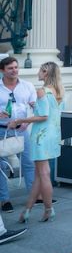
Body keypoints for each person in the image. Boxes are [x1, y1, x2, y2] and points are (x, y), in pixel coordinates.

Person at [9, 62, 63, 224]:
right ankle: (27, 210)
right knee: (39, 175)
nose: (38, 72)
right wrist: (36, 107)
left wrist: (20, 120)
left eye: (40, 70)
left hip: (41, 136)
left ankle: (48, 209)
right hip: (52, 135)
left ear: (45, 73)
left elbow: (43, 116)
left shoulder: (42, 91)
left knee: (43, 174)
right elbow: (49, 112)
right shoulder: (58, 91)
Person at [0, 57, 36, 213]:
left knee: (28, 162)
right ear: (2, 70)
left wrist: (27, 122)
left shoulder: (27, 86)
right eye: (10, 68)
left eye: (16, 67)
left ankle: (33, 196)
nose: (14, 70)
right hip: (2, 130)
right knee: (1, 167)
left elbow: (35, 108)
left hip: (21, 130)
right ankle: (4, 199)